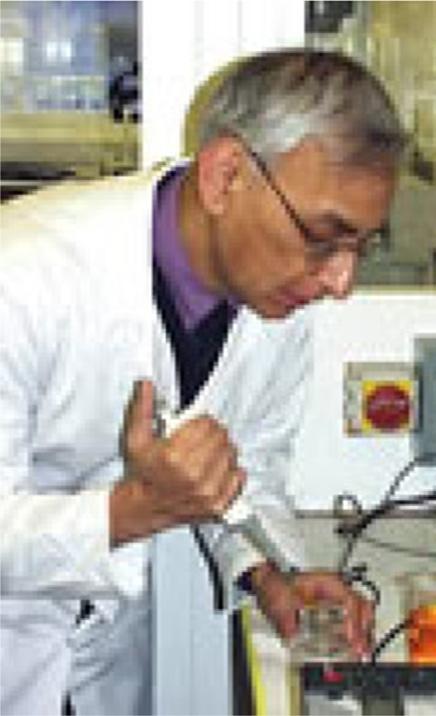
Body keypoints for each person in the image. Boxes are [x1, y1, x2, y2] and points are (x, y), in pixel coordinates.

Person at [0, 48, 406, 715]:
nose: (340, 283)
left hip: (103, 662)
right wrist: (138, 509)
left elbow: (251, 469)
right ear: (225, 177)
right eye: (323, 237)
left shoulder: (277, 300)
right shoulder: (22, 275)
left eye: (361, 246)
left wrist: (273, 574)